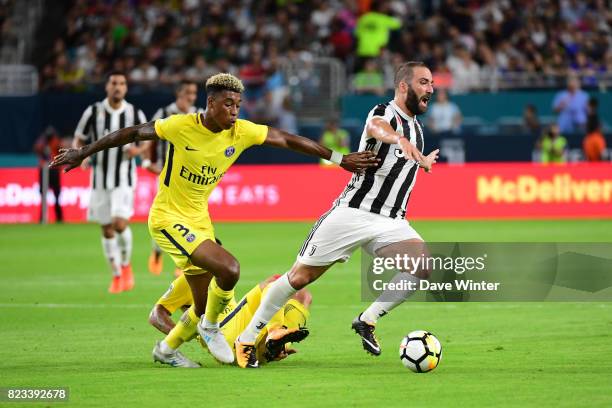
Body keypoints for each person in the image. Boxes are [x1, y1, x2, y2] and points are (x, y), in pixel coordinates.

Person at [51, 73, 378, 368]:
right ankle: (211, 329)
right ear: (211, 104)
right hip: (167, 218)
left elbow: (287, 139)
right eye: (228, 104)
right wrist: (84, 152)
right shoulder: (181, 126)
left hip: (200, 221)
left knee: (200, 300)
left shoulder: (241, 131)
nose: (235, 111)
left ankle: (166, 351)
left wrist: (339, 159)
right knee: (229, 268)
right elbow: (133, 132)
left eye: (238, 104)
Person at [235, 62, 439, 368]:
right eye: (424, 82)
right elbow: (376, 129)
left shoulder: (418, 130)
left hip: (391, 221)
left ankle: (367, 320)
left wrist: (420, 160)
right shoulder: (384, 113)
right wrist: (399, 140)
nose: (431, 89)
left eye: (432, 83)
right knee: (299, 277)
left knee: (422, 264)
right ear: (403, 87)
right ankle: (247, 338)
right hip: (353, 213)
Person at [73, 71, 146, 294]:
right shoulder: (93, 111)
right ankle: (116, 275)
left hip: (123, 178)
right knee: (106, 229)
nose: (118, 87)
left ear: (126, 88)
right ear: (107, 86)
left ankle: (126, 266)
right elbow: (79, 137)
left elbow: (148, 138)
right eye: (114, 83)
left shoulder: (134, 112)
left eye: (122, 83)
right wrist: (81, 154)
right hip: (100, 179)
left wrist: (138, 149)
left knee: (119, 223)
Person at [149, 273, 311, 367]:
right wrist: (184, 334)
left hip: (243, 331)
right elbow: (156, 315)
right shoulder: (190, 278)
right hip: (223, 338)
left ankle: (278, 344)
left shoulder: (222, 274)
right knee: (276, 283)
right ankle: (275, 333)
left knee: (300, 292)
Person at [144, 80, 205, 276]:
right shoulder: (164, 113)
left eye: (194, 93)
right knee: (164, 216)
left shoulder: (200, 114)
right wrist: (147, 162)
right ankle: (156, 251)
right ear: (179, 93)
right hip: (167, 175)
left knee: (191, 217)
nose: (192, 97)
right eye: (188, 92)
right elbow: (147, 138)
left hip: (191, 176)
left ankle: (182, 263)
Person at [34, 126, 64, 223]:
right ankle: (42, 217)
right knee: (43, 194)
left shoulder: (55, 141)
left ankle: (59, 218)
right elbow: (37, 148)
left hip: (54, 169)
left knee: (56, 194)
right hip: (44, 169)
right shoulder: (42, 142)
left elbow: (61, 150)